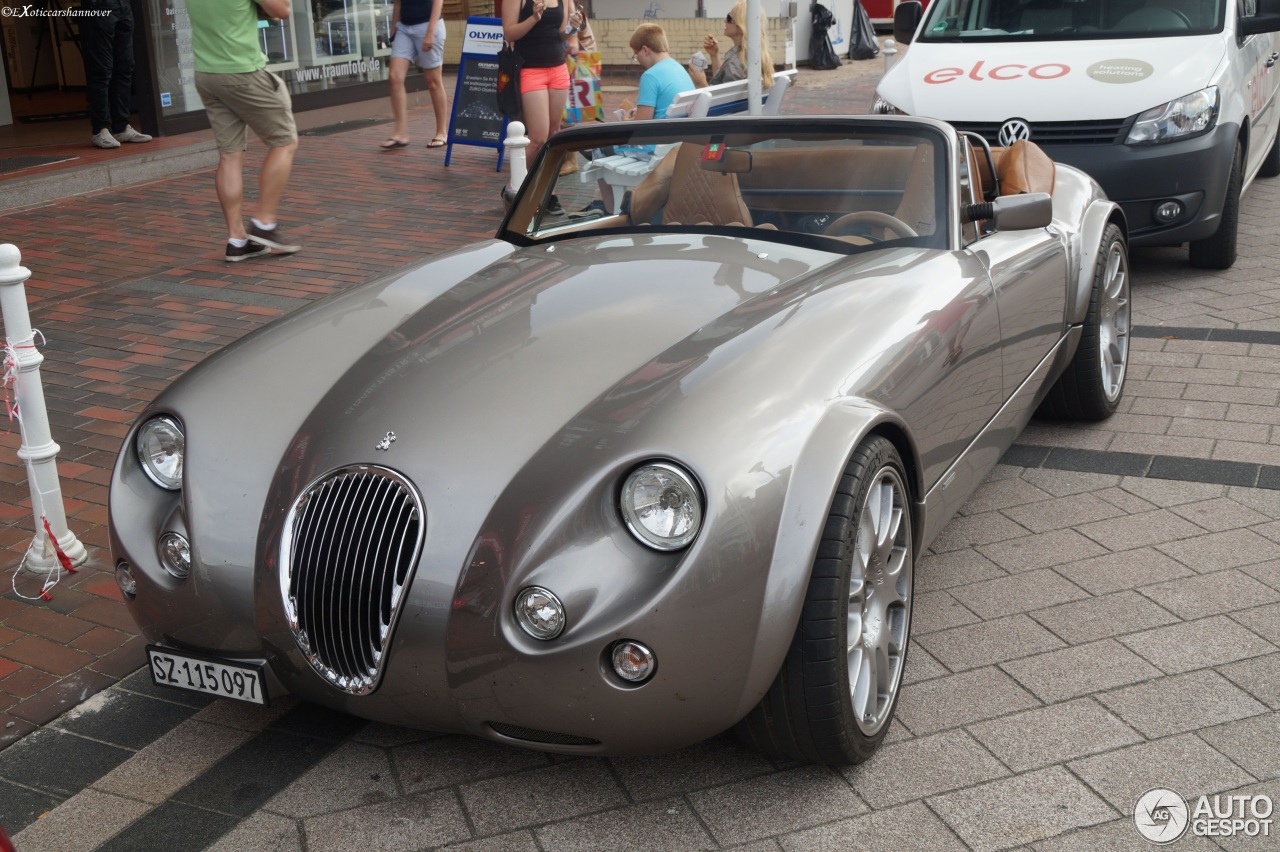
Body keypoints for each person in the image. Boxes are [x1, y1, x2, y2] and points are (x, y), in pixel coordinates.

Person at [186, 0, 301, 262]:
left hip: (207, 74)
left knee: (230, 154)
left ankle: (237, 240)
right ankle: (264, 222)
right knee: (285, 142)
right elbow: (282, 10)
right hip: (243, 72)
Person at [503, 0, 577, 171]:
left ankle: (545, 190)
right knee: (538, 140)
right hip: (531, 70)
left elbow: (559, 35)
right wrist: (534, 18)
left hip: (558, 68)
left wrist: (573, 28)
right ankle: (516, 187)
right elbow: (509, 34)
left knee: (553, 136)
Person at [81, 0, 152, 149]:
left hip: (123, 6)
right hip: (99, 6)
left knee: (124, 67)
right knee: (101, 69)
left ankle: (121, 127)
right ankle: (100, 129)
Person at [381, 0, 449, 149]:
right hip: (404, 28)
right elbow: (398, 3)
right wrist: (393, 31)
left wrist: (430, 33)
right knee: (395, 77)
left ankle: (442, 132)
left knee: (432, 82)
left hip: (428, 25)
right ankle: (400, 133)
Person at [688, 0, 775, 91]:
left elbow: (720, 102)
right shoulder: (755, 56)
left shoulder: (735, 63)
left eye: (729, 18)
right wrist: (714, 55)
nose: (725, 20)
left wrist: (701, 84)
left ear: (742, 27)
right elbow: (721, 85)